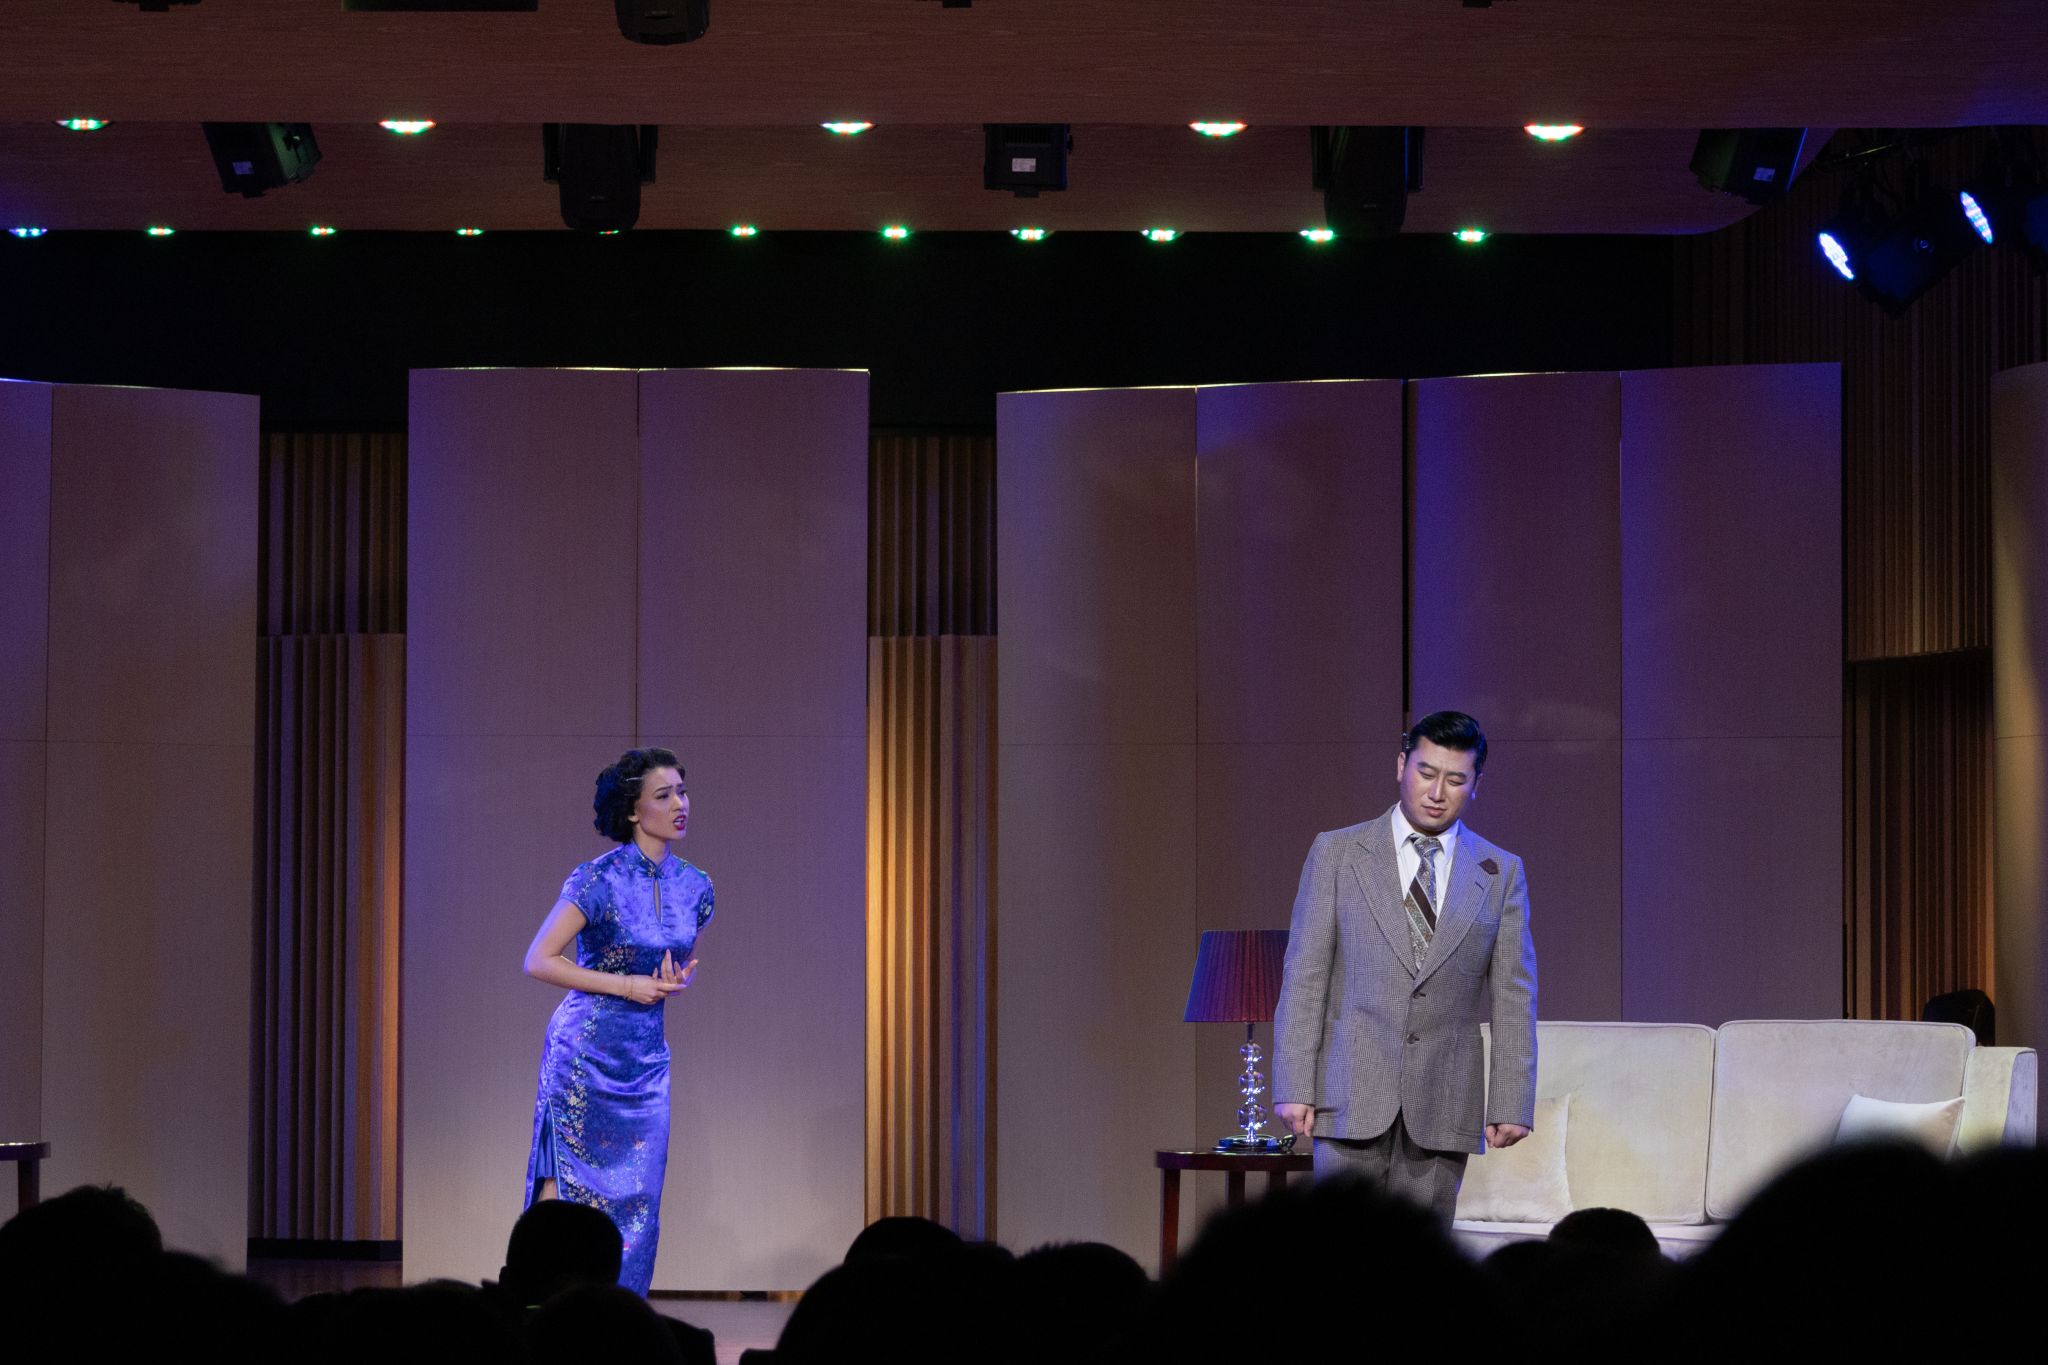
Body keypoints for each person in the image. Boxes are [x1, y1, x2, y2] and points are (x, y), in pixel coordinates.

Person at [1269, 710, 1537, 1222]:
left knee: (1421, 1261)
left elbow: (1514, 994)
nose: (1437, 792)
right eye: (1426, 772)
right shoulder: (1338, 852)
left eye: (1455, 779)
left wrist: (1511, 1101)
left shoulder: (1499, 872)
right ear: (1401, 765)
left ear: (1476, 784)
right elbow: (1304, 976)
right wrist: (1293, 1084)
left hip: (1443, 1099)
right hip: (1348, 1093)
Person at [522, 746, 714, 1295]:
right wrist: (627, 985)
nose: (680, 804)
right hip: (585, 1054)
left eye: (682, 792)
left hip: (645, 1061)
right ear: (633, 810)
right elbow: (539, 959)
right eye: (664, 795)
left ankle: (618, 1318)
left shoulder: (696, 887)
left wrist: (668, 981)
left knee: (639, 1200)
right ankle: (544, 1311)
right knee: (567, 1192)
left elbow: (663, 956)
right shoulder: (597, 880)